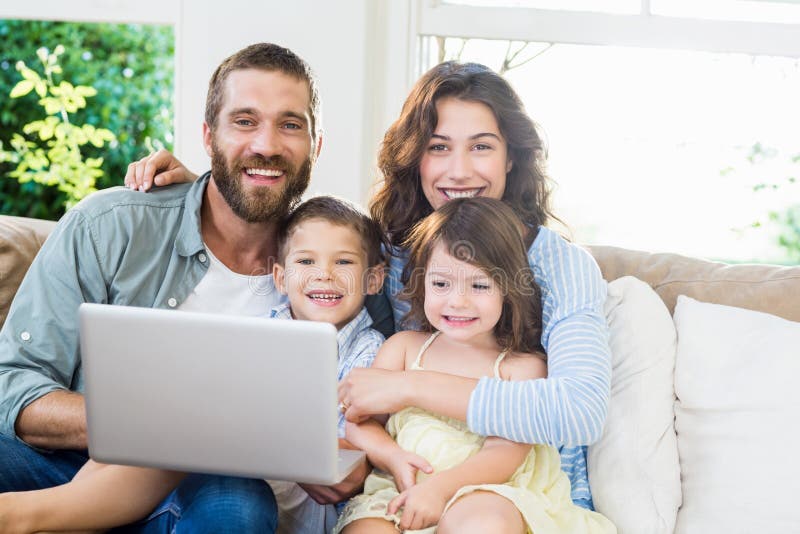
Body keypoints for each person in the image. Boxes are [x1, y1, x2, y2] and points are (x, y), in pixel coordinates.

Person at [126, 60, 612, 511]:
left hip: (516, 498)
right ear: (415, 158)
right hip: (403, 487)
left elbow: (579, 410)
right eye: (438, 147)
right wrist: (210, 194)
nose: (458, 170)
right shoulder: (392, 252)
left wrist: (407, 386)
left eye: (481, 146)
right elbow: (314, 251)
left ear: (512, 158)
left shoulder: (560, 263)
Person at [0, 42, 391, 533]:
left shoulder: (333, 273)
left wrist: (359, 462)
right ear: (208, 136)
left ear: (316, 145)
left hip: (210, 499)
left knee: (237, 500)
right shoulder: (110, 226)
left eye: (290, 124)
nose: (266, 144)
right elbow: (11, 383)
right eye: (244, 121)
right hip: (68, 467)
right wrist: (150, 423)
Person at [0, 195, 388, 533]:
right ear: (280, 278)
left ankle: (44, 514)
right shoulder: (262, 329)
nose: (324, 274)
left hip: (286, 506)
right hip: (214, 466)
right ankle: (50, 513)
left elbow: (353, 447)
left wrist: (244, 430)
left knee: (191, 434)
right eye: (307, 260)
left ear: (373, 280)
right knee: (173, 436)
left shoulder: (371, 353)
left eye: (343, 262)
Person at [336, 197, 614, 533]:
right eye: (441, 284)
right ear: (422, 283)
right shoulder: (404, 350)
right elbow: (358, 421)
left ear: (508, 289)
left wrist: (440, 489)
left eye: (479, 285)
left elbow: (504, 454)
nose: (457, 300)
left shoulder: (520, 367)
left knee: (485, 522)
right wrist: (391, 457)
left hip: (489, 490)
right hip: (400, 490)